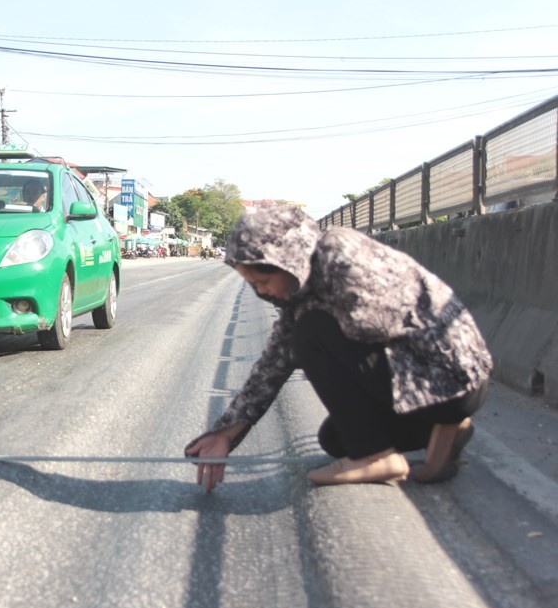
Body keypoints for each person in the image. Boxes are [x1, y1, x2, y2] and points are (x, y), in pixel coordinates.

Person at [185, 206, 492, 492]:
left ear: (288, 261)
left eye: (263, 280)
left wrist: (308, 323)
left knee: (310, 334)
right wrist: (225, 432)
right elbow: (273, 365)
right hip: (426, 388)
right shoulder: (305, 283)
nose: (261, 291)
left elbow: (378, 328)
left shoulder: (342, 254)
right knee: (335, 440)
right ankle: (445, 429)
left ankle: (376, 457)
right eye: (251, 283)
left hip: (447, 378)